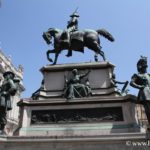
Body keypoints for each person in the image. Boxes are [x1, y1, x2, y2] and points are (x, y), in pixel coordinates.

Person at [130, 56, 150, 130]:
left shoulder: (149, 75)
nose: (145, 68)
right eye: (144, 66)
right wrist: (140, 86)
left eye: (146, 66)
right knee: (149, 110)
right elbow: (131, 83)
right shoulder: (137, 75)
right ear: (140, 67)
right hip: (145, 94)